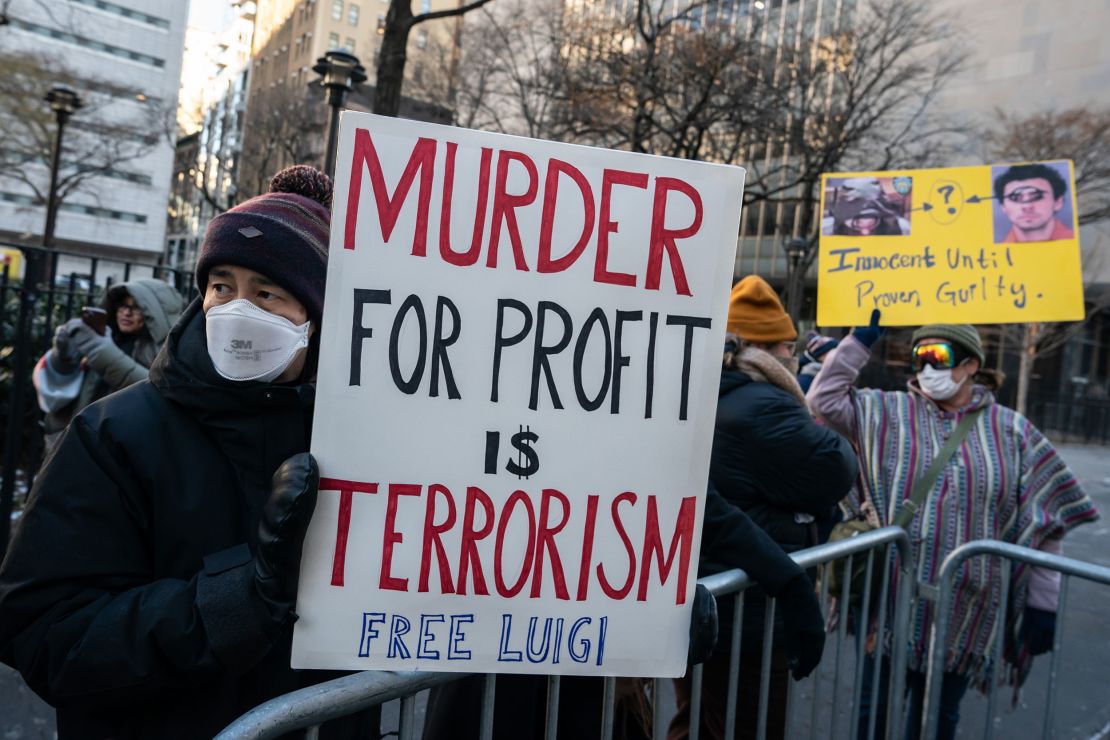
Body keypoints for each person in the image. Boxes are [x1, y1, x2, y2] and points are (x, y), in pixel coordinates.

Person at [0, 166, 380, 739]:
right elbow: (45, 632)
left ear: (317, 318)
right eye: (222, 286)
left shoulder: (362, 437)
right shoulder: (114, 434)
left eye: (267, 293)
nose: (236, 310)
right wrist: (235, 603)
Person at [806, 311, 1100, 740]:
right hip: (887, 604)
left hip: (965, 610)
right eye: (919, 358)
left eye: (939, 357)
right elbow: (823, 401)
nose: (927, 368)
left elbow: (1046, 523)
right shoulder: (885, 410)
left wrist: (1043, 604)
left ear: (970, 366)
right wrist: (856, 344)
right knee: (873, 713)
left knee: (939, 719)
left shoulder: (1013, 432)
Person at [669, 276, 858, 740]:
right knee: (747, 723)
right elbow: (836, 469)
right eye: (789, 347)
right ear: (767, 350)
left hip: (701, 599)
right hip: (749, 611)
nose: (793, 357)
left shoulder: (693, 390)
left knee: (696, 720)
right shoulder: (764, 405)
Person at [33, 277, 185, 458]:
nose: (126, 313)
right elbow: (65, 387)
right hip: (77, 441)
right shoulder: (107, 335)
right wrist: (63, 354)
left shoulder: (166, 352)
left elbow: (153, 391)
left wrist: (101, 352)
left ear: (155, 313)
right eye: (122, 305)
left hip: (120, 451)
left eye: (136, 307)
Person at [994, 163, 1075, 243]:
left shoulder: (1078, 245)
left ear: (1058, 202)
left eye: (1037, 197)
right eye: (1015, 198)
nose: (1027, 206)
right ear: (1003, 206)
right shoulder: (996, 253)